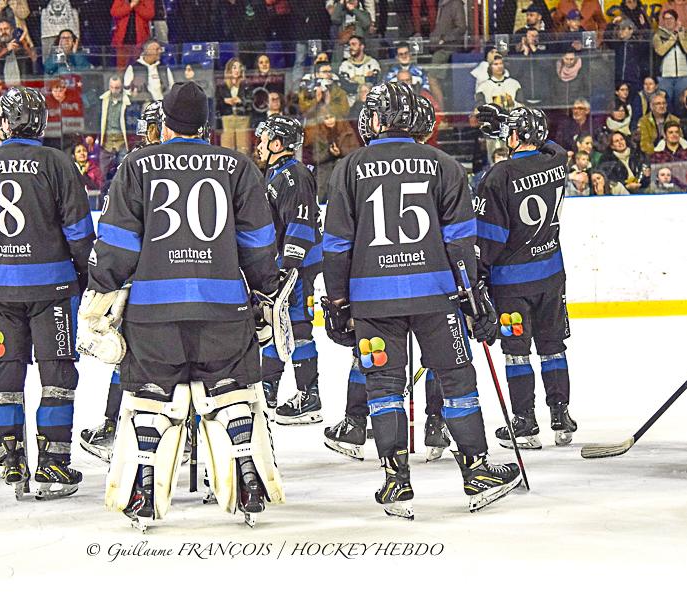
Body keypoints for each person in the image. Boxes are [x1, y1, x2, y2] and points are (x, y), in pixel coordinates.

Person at [80, 81, 284, 530]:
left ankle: (144, 488)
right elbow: (258, 242)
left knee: (151, 400)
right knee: (231, 394)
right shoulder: (237, 166)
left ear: (165, 124)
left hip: (153, 314)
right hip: (223, 309)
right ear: (206, 125)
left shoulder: (137, 165)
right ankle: (247, 477)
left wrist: (99, 294)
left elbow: (117, 242)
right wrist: (265, 293)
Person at [322, 82, 521, 519]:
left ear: (378, 119)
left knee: (383, 387)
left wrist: (337, 303)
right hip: (436, 297)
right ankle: (476, 471)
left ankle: (396, 480)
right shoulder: (444, 164)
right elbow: (461, 242)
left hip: (372, 301)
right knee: (456, 379)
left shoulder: (349, 167)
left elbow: (335, 246)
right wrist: (473, 297)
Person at [0, 86, 95, 500]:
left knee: (4, 373)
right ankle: (53, 463)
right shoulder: (58, 162)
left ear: (3, 122)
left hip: (2, 291)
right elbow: (80, 232)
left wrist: (4, 257)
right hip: (54, 290)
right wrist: (83, 276)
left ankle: (11, 458)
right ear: (41, 123)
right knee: (57, 375)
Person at [473, 103, 577, 449]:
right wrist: (516, 125)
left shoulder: (498, 175)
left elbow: (490, 237)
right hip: (551, 276)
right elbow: (552, 146)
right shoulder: (556, 162)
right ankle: (560, 415)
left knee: (516, 351)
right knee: (552, 345)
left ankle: (525, 422)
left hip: (511, 284)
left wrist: (477, 277)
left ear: (515, 135)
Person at [77, 100, 164, 464]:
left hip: (142, 285)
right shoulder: (209, 164)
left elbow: (116, 236)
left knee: (127, 357)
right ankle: (193, 437)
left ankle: (116, 431)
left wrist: (101, 283)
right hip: (196, 282)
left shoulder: (134, 165)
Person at [253, 114, 324, 424]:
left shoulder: (294, 175)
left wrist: (288, 269)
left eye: (264, 139)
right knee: (276, 325)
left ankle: (309, 396)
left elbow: (301, 224)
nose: (259, 144)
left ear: (277, 143)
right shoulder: (277, 173)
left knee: (298, 326)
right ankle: (268, 388)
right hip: (283, 265)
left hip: (298, 268)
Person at [653, 10, 687, 112]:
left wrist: (680, 34)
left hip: (683, 75)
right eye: (666, 19)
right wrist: (673, 37)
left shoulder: (684, 33)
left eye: (671, 18)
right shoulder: (658, 35)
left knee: (682, 104)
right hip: (665, 76)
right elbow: (661, 51)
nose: (668, 21)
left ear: (676, 20)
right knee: (665, 104)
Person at [123, 39, 175, 108]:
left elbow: (172, 87)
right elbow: (126, 89)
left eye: (160, 49)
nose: (160, 51)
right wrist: (133, 96)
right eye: (157, 49)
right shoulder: (134, 67)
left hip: (162, 106)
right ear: (148, 51)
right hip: (141, 106)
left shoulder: (163, 68)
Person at [0, 18, 35, 86]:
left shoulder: (21, 44)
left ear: (12, 30)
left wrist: (22, 41)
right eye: (0, 30)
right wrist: (6, 50)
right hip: (2, 86)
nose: (3, 32)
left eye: (6, 29)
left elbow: (34, 58)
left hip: (22, 85)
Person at [216, 57, 251, 155]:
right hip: (227, 119)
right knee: (227, 149)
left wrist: (241, 100)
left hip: (242, 119)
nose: (237, 70)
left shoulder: (246, 85)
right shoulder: (222, 86)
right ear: (229, 70)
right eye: (234, 67)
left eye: (239, 67)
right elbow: (217, 104)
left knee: (243, 149)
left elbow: (251, 102)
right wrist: (225, 101)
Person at [339, 35, 380, 105]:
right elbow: (345, 85)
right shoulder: (344, 65)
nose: (351, 47)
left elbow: (374, 82)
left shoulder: (373, 63)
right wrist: (365, 79)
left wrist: (355, 79)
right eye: (349, 45)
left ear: (362, 46)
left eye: (354, 44)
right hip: (350, 103)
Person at [638, 92, 679, 156]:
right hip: (652, 155)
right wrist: (658, 154)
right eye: (658, 104)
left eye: (664, 103)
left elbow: (679, 139)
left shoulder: (675, 120)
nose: (662, 106)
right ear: (651, 106)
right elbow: (645, 145)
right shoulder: (644, 121)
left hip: (673, 154)